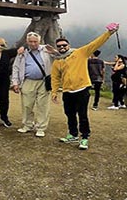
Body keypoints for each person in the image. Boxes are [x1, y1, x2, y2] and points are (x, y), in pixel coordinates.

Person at [51, 22, 120, 150]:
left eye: (64, 45)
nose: (62, 48)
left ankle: (84, 137)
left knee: (82, 114)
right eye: (59, 46)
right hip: (67, 91)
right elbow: (55, 77)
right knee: (69, 114)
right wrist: (54, 92)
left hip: (82, 89)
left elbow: (96, 43)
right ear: (57, 47)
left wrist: (109, 33)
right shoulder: (57, 61)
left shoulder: (80, 53)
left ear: (68, 45)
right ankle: (72, 134)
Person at [11, 32, 53, 137]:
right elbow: (15, 67)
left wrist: (54, 51)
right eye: (31, 41)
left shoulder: (46, 50)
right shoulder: (22, 52)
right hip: (27, 80)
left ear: (39, 41)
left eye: (35, 41)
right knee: (26, 105)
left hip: (43, 81)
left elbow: (59, 56)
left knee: (43, 106)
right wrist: (15, 82)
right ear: (27, 42)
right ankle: (27, 125)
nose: (33, 43)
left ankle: (41, 127)